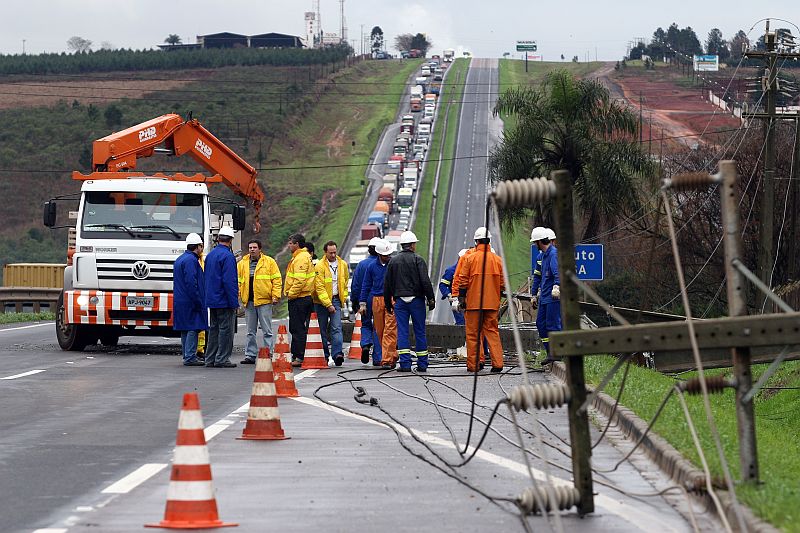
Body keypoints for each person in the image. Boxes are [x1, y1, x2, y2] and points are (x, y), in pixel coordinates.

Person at [454, 227, 505, 373]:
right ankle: (498, 364)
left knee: (473, 334)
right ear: (489, 241)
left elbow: (463, 281)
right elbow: (502, 284)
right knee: (492, 332)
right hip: (492, 303)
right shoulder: (497, 260)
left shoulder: (469, 258)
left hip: (473, 304)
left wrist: (461, 299)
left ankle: (474, 364)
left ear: (476, 242)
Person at [384, 231, 435, 372]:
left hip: (400, 301)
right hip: (417, 301)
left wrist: (388, 304)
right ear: (412, 245)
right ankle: (422, 364)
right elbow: (425, 281)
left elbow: (387, 284)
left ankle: (405, 364)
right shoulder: (418, 260)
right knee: (420, 331)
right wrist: (431, 299)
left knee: (402, 332)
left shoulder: (393, 261)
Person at [237, 239, 282, 364]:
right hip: (249, 301)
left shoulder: (269, 262)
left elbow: (276, 280)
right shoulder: (242, 264)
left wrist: (276, 296)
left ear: (260, 249)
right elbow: (238, 282)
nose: (252, 250)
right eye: (250, 247)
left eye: (254, 247)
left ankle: (268, 353)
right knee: (250, 331)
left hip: (264, 301)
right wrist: (239, 296)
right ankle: (250, 355)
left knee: (267, 330)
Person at [204, 226, 239, 368]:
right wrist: (234, 302)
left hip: (212, 299)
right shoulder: (228, 257)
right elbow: (229, 281)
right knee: (226, 330)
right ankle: (222, 358)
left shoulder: (210, 255)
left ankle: (210, 358)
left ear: (218, 239)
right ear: (230, 240)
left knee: (214, 329)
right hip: (224, 300)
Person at [359, 239, 397, 369]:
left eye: (389, 255)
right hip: (377, 300)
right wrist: (363, 303)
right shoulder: (371, 267)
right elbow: (366, 285)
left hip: (391, 299)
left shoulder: (393, 265)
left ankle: (387, 359)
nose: (388, 257)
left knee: (390, 330)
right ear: (379, 254)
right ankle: (391, 354)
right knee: (379, 330)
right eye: (385, 255)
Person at [173, 233, 207, 366]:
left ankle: (187, 354)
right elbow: (192, 283)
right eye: (201, 246)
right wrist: (198, 301)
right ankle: (190, 357)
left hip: (181, 300)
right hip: (190, 300)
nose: (202, 249)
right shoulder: (191, 261)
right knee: (193, 327)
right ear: (198, 246)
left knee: (185, 328)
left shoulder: (180, 259)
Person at [314, 241, 349, 366]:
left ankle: (337, 354)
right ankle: (324, 355)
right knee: (321, 330)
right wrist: (328, 304)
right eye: (331, 253)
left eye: (335, 252)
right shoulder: (319, 266)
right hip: (321, 302)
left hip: (336, 300)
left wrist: (343, 297)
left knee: (337, 328)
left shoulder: (342, 264)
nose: (333, 255)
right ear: (325, 252)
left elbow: (345, 283)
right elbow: (319, 287)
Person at [530, 226, 561, 364]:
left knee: (553, 325)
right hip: (544, 297)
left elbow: (557, 273)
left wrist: (557, 286)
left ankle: (557, 352)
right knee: (541, 324)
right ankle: (550, 352)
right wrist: (533, 294)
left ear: (539, 242)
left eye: (534, 242)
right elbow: (537, 276)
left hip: (553, 297)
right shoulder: (542, 256)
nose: (534, 245)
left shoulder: (553, 254)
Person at [285, 233, 315, 367]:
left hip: (299, 298)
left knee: (297, 328)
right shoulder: (302, 256)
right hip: (303, 296)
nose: (289, 246)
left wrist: (291, 294)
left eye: (291, 243)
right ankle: (297, 354)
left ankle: (299, 356)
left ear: (297, 244)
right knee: (298, 328)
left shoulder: (300, 258)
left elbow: (299, 280)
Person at [351, 237, 381, 364]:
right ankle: (378, 357)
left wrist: (355, 301)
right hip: (379, 299)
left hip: (364, 299)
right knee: (379, 327)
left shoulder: (361, 265)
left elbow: (356, 285)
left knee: (366, 324)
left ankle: (365, 344)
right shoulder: (382, 264)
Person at [439, 248, 469, 325]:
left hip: (469, 300)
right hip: (457, 300)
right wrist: (448, 294)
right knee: (461, 322)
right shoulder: (451, 271)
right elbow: (443, 285)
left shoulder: (470, 270)